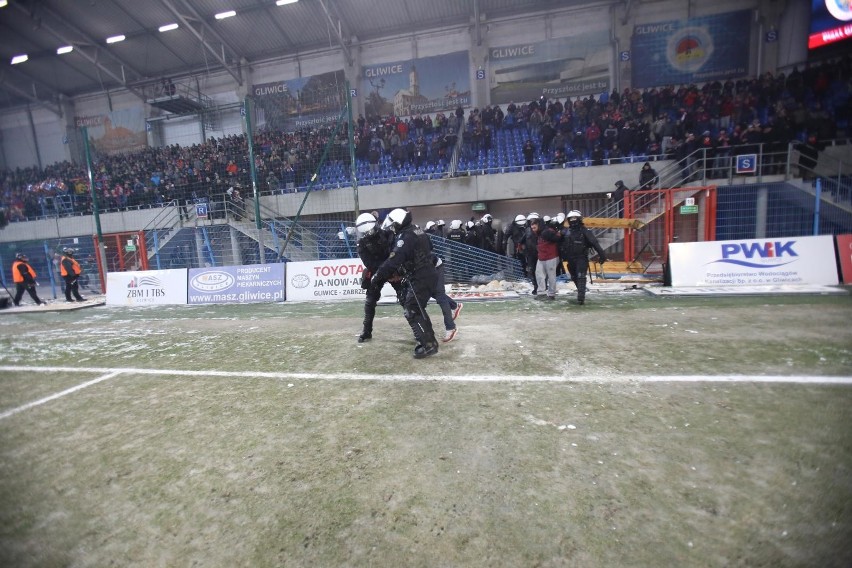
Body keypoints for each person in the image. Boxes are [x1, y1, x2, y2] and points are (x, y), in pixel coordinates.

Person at [370, 208, 440, 359]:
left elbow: (394, 259)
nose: (392, 229)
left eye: (393, 226)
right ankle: (429, 340)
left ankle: (429, 344)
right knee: (417, 308)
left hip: (421, 275)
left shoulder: (405, 236)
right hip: (427, 272)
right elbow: (429, 248)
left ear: (398, 223)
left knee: (412, 309)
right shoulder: (417, 230)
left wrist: (378, 275)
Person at [355, 212, 399, 343]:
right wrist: (384, 271)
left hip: (393, 270)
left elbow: (395, 254)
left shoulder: (388, 234)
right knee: (370, 301)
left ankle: (419, 330)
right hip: (378, 272)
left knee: (406, 299)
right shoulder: (362, 243)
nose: (365, 235)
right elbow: (369, 263)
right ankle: (366, 332)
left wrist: (392, 271)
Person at [560, 210, 607, 305]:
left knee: (581, 277)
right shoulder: (566, 232)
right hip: (570, 259)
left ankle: (581, 298)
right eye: (571, 219)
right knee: (574, 277)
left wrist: (602, 256)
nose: (573, 221)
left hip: (581, 258)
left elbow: (595, 243)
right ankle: (581, 293)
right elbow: (559, 243)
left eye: (574, 218)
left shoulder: (584, 231)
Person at [432, 253, 463, 343]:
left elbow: (430, 258)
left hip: (435, 266)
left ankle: (451, 328)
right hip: (428, 268)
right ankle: (454, 306)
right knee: (432, 292)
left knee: (440, 295)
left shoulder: (413, 243)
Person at [532, 217, 561, 300]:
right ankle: (541, 293)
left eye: (534, 228)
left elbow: (557, 238)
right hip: (542, 257)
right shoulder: (541, 233)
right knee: (539, 275)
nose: (533, 230)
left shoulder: (547, 232)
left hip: (551, 257)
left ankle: (551, 294)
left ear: (538, 225)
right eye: (532, 228)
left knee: (551, 276)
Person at [523, 212, 540, 295]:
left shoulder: (540, 230)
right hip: (531, 254)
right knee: (533, 271)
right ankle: (536, 286)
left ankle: (539, 286)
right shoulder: (527, 230)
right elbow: (522, 239)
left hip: (538, 254)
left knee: (538, 271)